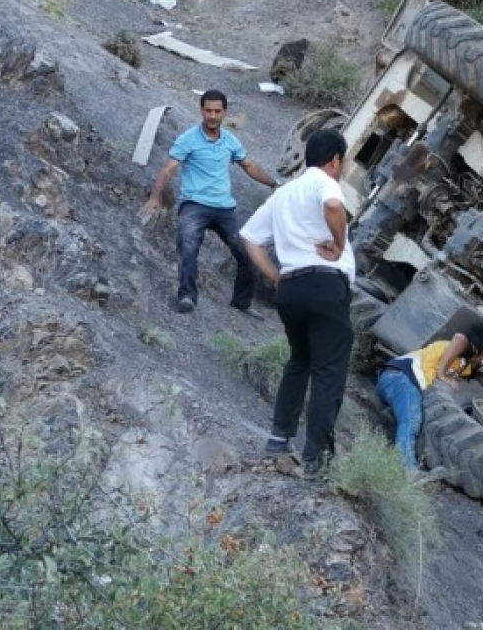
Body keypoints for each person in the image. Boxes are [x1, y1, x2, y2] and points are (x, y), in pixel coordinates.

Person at [239, 128, 354, 475]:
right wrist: (338, 241)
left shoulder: (284, 192)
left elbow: (249, 237)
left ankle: (279, 437)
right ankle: (316, 457)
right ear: (335, 160)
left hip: (291, 288)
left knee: (299, 362)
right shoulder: (325, 182)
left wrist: (275, 277)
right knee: (328, 371)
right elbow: (333, 206)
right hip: (324, 285)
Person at [140, 89, 281, 314]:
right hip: (195, 205)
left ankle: (241, 302)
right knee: (187, 245)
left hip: (225, 208)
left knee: (248, 252)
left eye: (217, 111)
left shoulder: (230, 141)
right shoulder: (188, 139)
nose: (212, 116)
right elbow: (168, 170)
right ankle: (187, 296)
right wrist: (155, 197)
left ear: (225, 112)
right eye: (208, 111)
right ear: (201, 110)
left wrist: (272, 183)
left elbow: (249, 166)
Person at [376, 325, 483, 468]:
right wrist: (441, 373)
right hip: (400, 378)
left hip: (403, 386)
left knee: (415, 417)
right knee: (412, 419)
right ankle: (405, 468)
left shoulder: (464, 367)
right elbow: (461, 338)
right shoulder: (455, 347)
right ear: (478, 349)